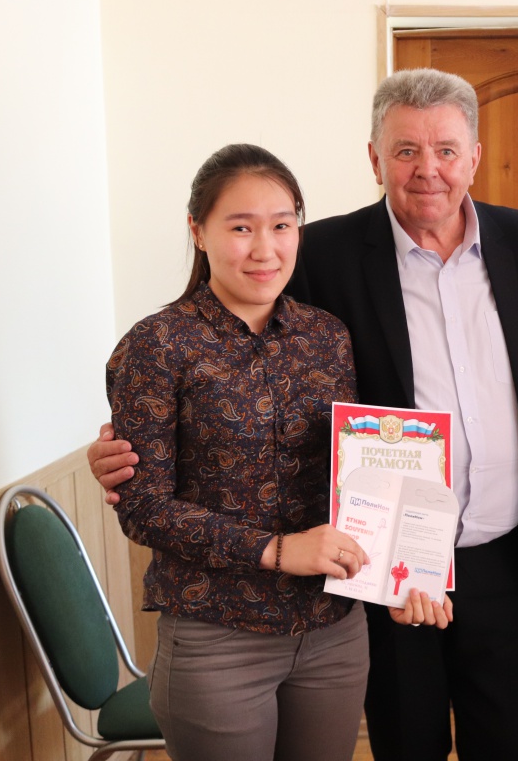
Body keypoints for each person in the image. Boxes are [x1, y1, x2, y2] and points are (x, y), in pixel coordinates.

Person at [91, 70, 518, 761]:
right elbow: (234, 349)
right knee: (405, 742)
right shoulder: (319, 253)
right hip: (371, 567)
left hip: (500, 553)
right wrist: (131, 445)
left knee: (506, 745)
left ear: (475, 157)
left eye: (447, 150)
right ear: (375, 158)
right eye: (406, 150)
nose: (428, 169)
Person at [105, 144, 450, 761]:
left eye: (282, 225)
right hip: (217, 637)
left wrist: (401, 573)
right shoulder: (156, 346)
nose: (265, 249)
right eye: (241, 228)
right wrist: (277, 550)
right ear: (198, 231)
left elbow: (361, 473)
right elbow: (144, 508)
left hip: (333, 633)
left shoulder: (327, 336)